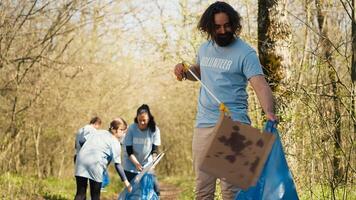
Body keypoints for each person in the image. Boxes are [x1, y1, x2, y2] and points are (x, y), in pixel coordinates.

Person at [173, 1, 277, 200]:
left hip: (235, 125)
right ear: (209, 28)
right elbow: (200, 72)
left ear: (234, 24)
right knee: (203, 190)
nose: (223, 30)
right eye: (218, 27)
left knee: (233, 192)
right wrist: (184, 72)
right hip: (203, 125)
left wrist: (268, 111)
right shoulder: (204, 49)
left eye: (227, 25)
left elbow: (260, 85)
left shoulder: (246, 52)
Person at [74, 118, 132, 200]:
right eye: (122, 131)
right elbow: (118, 165)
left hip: (81, 160)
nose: (123, 134)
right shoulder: (115, 142)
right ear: (115, 129)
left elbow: (81, 141)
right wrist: (126, 182)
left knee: (80, 194)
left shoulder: (98, 132)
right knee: (95, 196)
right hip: (95, 164)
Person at [122, 104, 161, 197]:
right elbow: (129, 151)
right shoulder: (132, 128)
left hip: (147, 164)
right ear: (137, 118)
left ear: (149, 119)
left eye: (144, 120)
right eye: (140, 120)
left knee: (155, 189)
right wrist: (136, 164)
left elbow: (155, 150)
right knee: (134, 191)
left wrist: (153, 163)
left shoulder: (154, 130)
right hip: (131, 164)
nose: (142, 122)